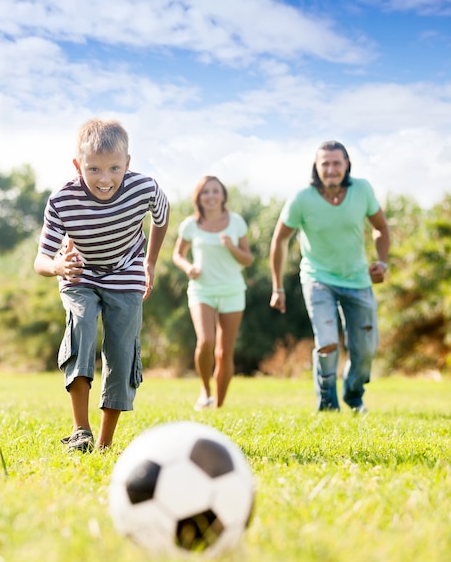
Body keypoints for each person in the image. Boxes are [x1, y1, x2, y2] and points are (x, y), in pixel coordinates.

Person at [34, 118, 170, 452]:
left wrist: (149, 262)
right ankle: (81, 430)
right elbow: (40, 260)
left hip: (126, 272)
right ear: (77, 165)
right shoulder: (62, 200)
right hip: (79, 272)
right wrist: (57, 265)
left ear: (128, 163)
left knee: (121, 352)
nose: (105, 179)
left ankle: (105, 444)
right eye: (93, 169)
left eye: (114, 168)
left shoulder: (146, 188)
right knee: (81, 327)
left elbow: (162, 218)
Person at [270, 141, 390, 413]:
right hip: (318, 278)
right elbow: (279, 241)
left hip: (358, 280)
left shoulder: (362, 190)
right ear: (316, 166)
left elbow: (381, 227)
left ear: (347, 164)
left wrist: (381, 262)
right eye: (325, 163)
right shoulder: (302, 198)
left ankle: (353, 394)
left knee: (365, 351)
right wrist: (278, 287)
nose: (331, 169)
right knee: (326, 342)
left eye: (337, 163)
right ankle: (327, 405)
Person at [173, 176, 252, 411]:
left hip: (232, 290)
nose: (211, 196)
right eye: (205, 192)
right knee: (206, 340)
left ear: (223, 195)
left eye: (215, 191)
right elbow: (178, 254)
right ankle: (205, 391)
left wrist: (232, 246)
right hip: (202, 290)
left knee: (224, 352)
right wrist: (189, 268)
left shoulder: (236, 222)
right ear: (199, 197)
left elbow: (247, 259)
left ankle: (218, 404)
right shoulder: (190, 224)